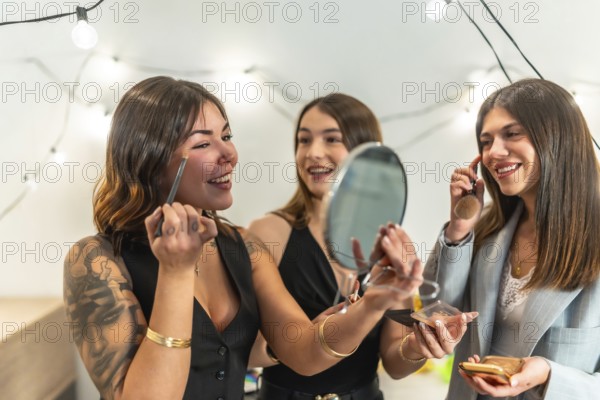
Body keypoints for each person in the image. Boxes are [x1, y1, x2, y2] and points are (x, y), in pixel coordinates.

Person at [62, 76, 429, 400]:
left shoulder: (243, 246)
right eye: (204, 143)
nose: (230, 155)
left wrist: (373, 304)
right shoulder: (97, 260)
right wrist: (175, 273)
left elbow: (302, 351)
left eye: (227, 136)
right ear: (151, 158)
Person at [247, 93, 477, 399]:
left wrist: (417, 346)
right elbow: (239, 351)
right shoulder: (266, 233)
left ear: (364, 153)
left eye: (331, 139)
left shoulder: (393, 246)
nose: (313, 152)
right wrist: (295, 344)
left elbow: (395, 363)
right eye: (304, 140)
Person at [421, 78, 600, 399]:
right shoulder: (488, 227)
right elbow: (439, 309)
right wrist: (459, 230)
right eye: (486, 141)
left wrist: (549, 376)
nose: (494, 152)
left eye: (512, 134)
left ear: (558, 136)